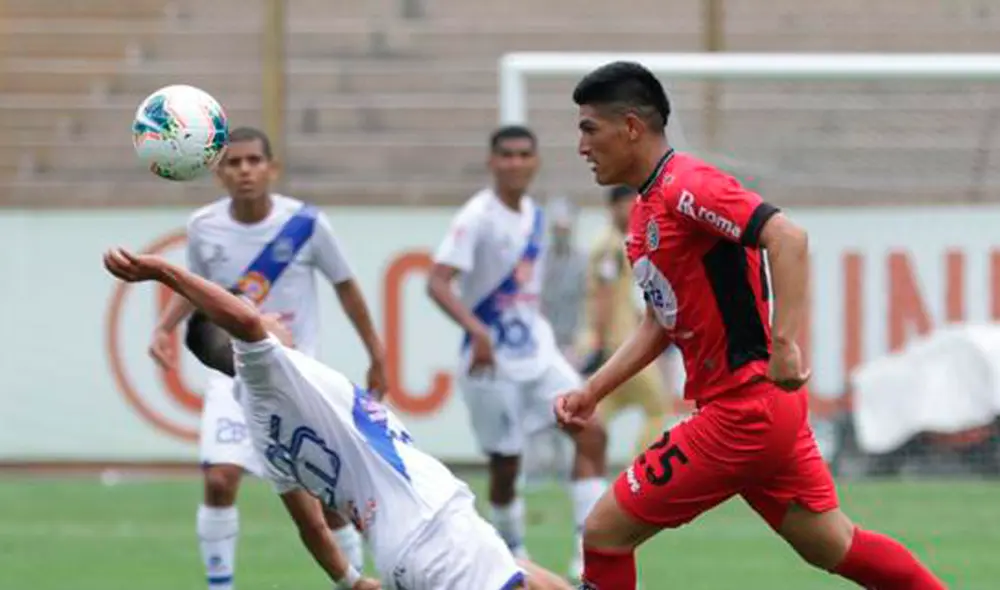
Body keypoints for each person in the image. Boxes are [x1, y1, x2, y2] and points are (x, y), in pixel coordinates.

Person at [556, 61, 947, 589]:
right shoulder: (647, 214)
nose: (581, 146)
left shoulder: (686, 186)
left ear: (630, 127)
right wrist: (593, 391)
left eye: (588, 129)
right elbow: (659, 323)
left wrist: (784, 343)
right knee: (833, 544)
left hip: (744, 411)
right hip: (760, 409)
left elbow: (787, 238)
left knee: (604, 531)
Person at [104, 247, 575, 590]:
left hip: (410, 545)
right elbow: (244, 324)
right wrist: (163, 271)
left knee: (525, 575)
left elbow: (311, 525)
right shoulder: (266, 369)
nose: (276, 317)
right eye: (260, 312)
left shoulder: (263, 426)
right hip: (433, 530)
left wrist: (349, 580)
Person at [148, 127, 383, 590]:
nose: (245, 170)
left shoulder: (307, 225)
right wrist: (164, 327)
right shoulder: (204, 226)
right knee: (219, 481)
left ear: (271, 168)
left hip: (297, 376)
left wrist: (378, 354)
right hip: (231, 374)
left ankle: (353, 582)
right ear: (219, 173)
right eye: (233, 163)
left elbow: (346, 286)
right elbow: (197, 286)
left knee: (327, 497)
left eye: (254, 161)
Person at [427, 125, 608, 579]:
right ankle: (513, 556)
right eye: (505, 155)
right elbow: (437, 281)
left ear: (535, 161)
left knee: (591, 431)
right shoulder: (478, 217)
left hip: (537, 351)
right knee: (506, 466)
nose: (515, 163)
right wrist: (477, 330)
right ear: (492, 162)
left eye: (524, 154)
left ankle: (586, 556)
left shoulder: (536, 216)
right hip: (490, 363)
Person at [578, 185, 670, 454]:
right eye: (628, 206)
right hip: (618, 342)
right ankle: (640, 472)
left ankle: (586, 466)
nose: (634, 212)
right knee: (657, 406)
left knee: (602, 409)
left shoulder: (619, 241)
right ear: (613, 207)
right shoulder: (610, 247)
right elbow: (603, 297)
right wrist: (598, 341)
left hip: (613, 339)